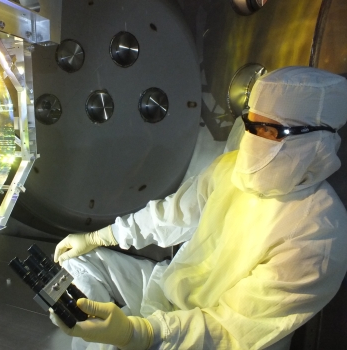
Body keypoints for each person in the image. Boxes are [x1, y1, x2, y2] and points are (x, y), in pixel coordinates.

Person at [49, 66, 347, 350]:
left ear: (317, 140)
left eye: (269, 131)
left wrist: (139, 333)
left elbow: (231, 329)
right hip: (172, 289)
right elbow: (170, 216)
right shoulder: (232, 169)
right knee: (77, 261)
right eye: (250, 124)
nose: (253, 143)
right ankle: (100, 331)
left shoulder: (319, 235)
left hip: (208, 339)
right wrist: (97, 237)